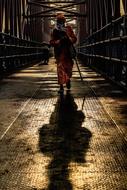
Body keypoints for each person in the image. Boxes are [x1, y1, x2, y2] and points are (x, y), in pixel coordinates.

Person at [50, 13, 77, 93]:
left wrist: (68, 39)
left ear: (64, 21)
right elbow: (51, 42)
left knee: (68, 69)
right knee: (60, 69)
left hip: (68, 53)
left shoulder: (68, 28)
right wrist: (58, 41)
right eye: (59, 21)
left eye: (62, 20)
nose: (61, 22)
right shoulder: (55, 30)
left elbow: (74, 38)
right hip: (60, 53)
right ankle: (61, 86)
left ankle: (68, 80)